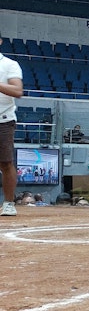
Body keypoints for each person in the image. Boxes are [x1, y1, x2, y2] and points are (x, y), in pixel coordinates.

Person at [0, 37, 24, 217]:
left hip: (4, 119)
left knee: (6, 162)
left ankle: (8, 203)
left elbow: (17, 91)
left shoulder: (10, 64)